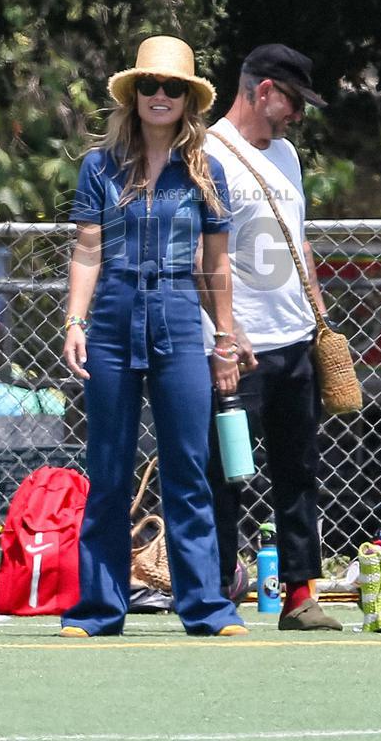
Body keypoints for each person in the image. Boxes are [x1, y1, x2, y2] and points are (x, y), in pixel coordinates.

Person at [60, 35, 246, 637]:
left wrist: (225, 335)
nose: (159, 95)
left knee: (188, 470)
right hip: (111, 320)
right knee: (108, 469)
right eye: (149, 86)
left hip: (178, 321)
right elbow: (88, 248)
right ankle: (96, 610)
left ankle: (207, 608)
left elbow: (214, 265)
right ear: (133, 95)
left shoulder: (207, 168)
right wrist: (74, 321)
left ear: (188, 99)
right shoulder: (99, 165)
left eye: (172, 88)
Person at [202, 44, 343, 631]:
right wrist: (223, 337)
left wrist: (320, 316)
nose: (297, 118)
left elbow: (301, 240)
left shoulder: (285, 155)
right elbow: (202, 255)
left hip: (295, 339)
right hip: (239, 345)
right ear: (263, 91)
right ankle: (212, 595)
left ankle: (299, 596)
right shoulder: (206, 151)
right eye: (292, 102)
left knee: (298, 469)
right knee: (225, 471)